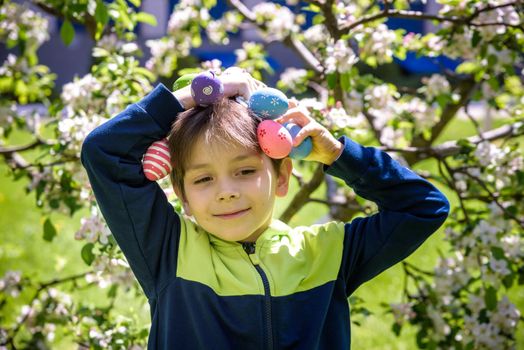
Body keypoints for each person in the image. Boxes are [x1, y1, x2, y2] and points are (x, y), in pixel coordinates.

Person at [81, 69, 449, 349]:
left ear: (283, 176)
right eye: (203, 179)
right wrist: (203, 94)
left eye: (244, 171)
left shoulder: (326, 254)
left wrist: (337, 154)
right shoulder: (168, 252)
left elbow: (424, 207)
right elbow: (104, 151)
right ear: (182, 194)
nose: (226, 192)